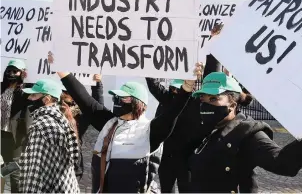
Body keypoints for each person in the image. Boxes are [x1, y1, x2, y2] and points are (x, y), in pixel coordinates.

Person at [171, 72, 302, 193]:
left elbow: (283, 163)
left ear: (233, 104)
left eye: (214, 99)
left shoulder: (247, 133)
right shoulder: (204, 128)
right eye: (203, 99)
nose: (206, 104)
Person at [56, 66, 202, 193]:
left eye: (123, 98)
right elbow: (84, 99)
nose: (117, 101)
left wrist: (186, 89)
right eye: (116, 98)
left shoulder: (149, 131)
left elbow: (172, 112)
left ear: (138, 104)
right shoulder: (110, 123)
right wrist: (62, 72)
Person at [18, 79, 80, 193]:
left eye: (34, 95)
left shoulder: (41, 126)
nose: (29, 98)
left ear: (46, 99)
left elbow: (35, 173)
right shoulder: (61, 118)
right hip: (65, 186)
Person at [0, 59, 31, 193]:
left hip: (14, 138)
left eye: (15, 71)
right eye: (9, 70)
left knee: (14, 171)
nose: (11, 73)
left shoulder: (25, 91)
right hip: (1, 134)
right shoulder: (2, 87)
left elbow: (22, 100)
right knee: (2, 169)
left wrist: (25, 81)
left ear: (22, 73)